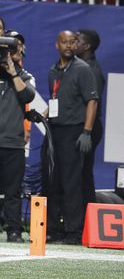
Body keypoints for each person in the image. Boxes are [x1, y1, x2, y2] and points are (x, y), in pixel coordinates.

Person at [42, 30, 98, 244]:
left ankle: (73, 231)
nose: (68, 45)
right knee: (52, 180)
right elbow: (57, 99)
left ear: (76, 45)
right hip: (54, 130)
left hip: (73, 130)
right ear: (57, 45)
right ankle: (53, 229)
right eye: (63, 42)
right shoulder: (53, 70)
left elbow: (92, 101)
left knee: (71, 182)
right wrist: (43, 115)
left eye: (72, 42)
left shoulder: (83, 69)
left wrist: (86, 131)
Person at [0, 27, 36, 242]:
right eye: (7, 49)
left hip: (13, 142)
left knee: (13, 192)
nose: (10, 53)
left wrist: (12, 71)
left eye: (15, 49)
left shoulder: (25, 75)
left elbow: (27, 96)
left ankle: (14, 230)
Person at [73, 29, 105, 208]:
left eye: (77, 40)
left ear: (86, 46)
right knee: (78, 172)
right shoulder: (77, 66)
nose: (72, 43)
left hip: (88, 127)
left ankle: (85, 219)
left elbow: (92, 103)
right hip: (80, 125)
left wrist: (87, 131)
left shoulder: (91, 70)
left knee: (82, 173)